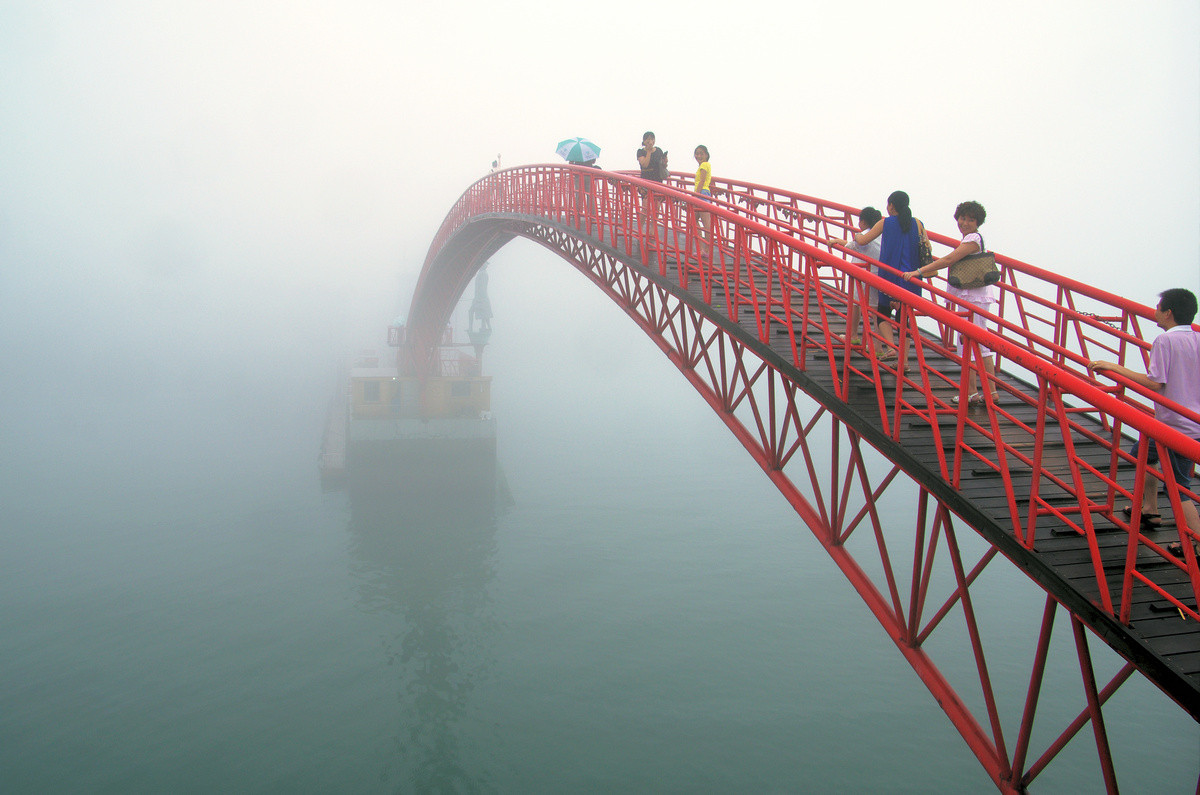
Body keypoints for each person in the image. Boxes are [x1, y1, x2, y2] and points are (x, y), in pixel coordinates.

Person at [1089, 288, 1200, 554]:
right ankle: (1149, 509)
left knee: (1179, 487)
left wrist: (1115, 368)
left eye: (1158, 307)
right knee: (1144, 454)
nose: (1155, 312)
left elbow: (1155, 382)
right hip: (1188, 420)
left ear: (1168, 312)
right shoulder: (1196, 338)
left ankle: (1197, 542)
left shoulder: (1165, 341)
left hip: (1175, 426)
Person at [902, 201, 998, 404]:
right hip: (973, 297)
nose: (964, 223)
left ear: (977, 222)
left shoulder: (973, 239)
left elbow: (948, 260)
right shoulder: (969, 239)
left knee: (972, 343)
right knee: (975, 342)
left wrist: (919, 272)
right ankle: (985, 392)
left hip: (974, 297)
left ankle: (978, 392)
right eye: (962, 218)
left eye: (970, 219)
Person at [845, 190, 924, 362]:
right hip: (912, 277)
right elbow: (927, 247)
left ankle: (891, 347)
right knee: (905, 320)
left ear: (891, 206)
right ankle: (903, 363)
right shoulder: (917, 223)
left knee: (882, 314)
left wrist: (858, 234)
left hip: (890, 275)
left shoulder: (885, 223)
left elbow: (863, 241)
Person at [823, 207, 883, 349]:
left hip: (863, 276)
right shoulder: (881, 235)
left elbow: (851, 246)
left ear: (863, 222)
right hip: (879, 276)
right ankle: (877, 345)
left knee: (856, 304)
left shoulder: (865, 235)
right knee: (876, 311)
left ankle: (854, 336)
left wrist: (836, 241)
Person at [636, 132, 666, 242]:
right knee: (645, 207)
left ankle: (652, 231)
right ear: (643, 141)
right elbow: (645, 164)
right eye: (647, 139)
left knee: (656, 207)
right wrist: (648, 152)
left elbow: (661, 165)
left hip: (657, 182)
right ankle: (640, 229)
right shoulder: (640, 152)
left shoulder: (659, 151)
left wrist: (665, 163)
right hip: (645, 183)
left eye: (651, 139)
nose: (649, 141)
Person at [693, 145, 714, 255]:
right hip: (703, 193)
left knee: (706, 224)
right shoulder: (704, 165)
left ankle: (706, 250)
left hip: (702, 194)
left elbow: (702, 181)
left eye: (701, 153)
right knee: (694, 220)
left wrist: (696, 196)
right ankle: (702, 249)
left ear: (706, 154)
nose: (698, 156)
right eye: (697, 153)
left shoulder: (704, 165)